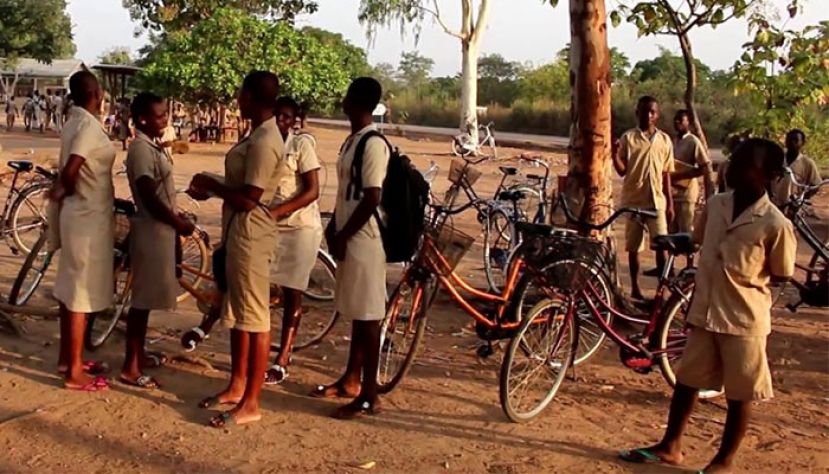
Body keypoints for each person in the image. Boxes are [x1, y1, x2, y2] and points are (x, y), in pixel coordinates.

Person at [619, 138, 795, 473]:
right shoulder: (716, 205)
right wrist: (674, 241)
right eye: (733, 161)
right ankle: (671, 445)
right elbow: (697, 240)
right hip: (704, 312)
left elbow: (781, 272)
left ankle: (723, 461)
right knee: (687, 381)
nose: (732, 170)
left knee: (740, 393)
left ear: (770, 175)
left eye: (746, 165)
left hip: (743, 320)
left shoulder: (774, 224)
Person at [188, 71, 283, 428]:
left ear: (252, 97)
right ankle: (237, 385)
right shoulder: (256, 135)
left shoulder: (266, 140)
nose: (237, 100)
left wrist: (213, 186)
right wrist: (213, 186)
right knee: (238, 313)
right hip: (238, 234)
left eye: (241, 94)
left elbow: (250, 198)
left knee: (255, 318)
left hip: (252, 236)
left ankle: (252, 402)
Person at [310, 77, 388, 419]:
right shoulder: (352, 141)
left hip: (365, 239)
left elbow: (372, 197)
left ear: (355, 101)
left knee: (369, 316)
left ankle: (369, 394)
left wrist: (344, 233)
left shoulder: (373, 144)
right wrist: (334, 227)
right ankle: (351, 379)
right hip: (348, 234)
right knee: (357, 311)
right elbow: (348, 194)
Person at [121, 92, 196, 389]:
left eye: (166, 114)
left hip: (162, 231)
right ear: (142, 119)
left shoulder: (154, 146)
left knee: (148, 300)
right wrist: (178, 222)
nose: (165, 120)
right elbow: (149, 196)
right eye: (159, 115)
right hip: (151, 231)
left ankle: (139, 354)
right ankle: (130, 366)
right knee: (141, 303)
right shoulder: (140, 148)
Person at [49, 71, 116, 391]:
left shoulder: (75, 120)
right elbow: (73, 169)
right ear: (96, 93)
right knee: (79, 293)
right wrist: (66, 189)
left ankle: (67, 357)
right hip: (87, 218)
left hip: (78, 216)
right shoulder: (88, 126)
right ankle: (74, 371)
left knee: (69, 288)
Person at [264, 97, 322, 385]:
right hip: (270, 227)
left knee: (292, 293)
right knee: (259, 288)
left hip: (299, 228)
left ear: (295, 120)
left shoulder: (302, 145)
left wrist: (276, 212)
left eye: (287, 117)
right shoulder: (263, 144)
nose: (281, 122)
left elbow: (312, 191)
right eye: (277, 115)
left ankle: (284, 355)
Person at [613, 96, 675, 301]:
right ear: (637, 113)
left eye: (652, 112)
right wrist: (614, 155)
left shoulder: (664, 140)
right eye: (644, 111)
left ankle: (661, 290)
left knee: (661, 245)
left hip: (657, 201)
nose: (648, 116)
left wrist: (670, 203)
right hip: (634, 201)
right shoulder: (628, 138)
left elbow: (666, 173)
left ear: (657, 115)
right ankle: (635, 288)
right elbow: (622, 171)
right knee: (634, 247)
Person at [670, 110, 713, 234]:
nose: (677, 122)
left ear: (688, 123)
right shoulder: (672, 141)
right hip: (672, 193)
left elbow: (704, 166)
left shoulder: (693, 141)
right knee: (670, 230)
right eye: (675, 120)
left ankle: (690, 253)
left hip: (686, 193)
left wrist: (681, 176)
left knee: (686, 229)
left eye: (681, 120)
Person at [770, 129, 821, 206]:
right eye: (789, 139)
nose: (792, 142)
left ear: (802, 143)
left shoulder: (807, 163)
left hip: (791, 206)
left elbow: (816, 185)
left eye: (796, 140)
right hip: (772, 204)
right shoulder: (776, 159)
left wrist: (800, 199)